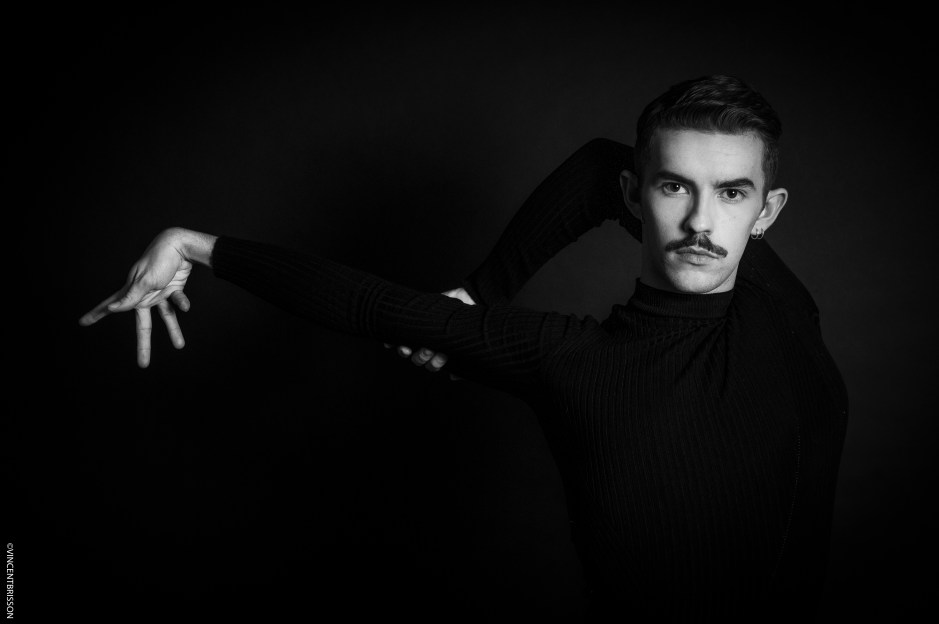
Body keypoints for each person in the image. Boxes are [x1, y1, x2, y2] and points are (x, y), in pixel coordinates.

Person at [79, 75, 848, 620]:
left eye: (731, 193)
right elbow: (376, 307)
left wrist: (481, 290)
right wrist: (197, 245)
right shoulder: (571, 360)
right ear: (633, 195)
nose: (701, 223)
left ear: (766, 210)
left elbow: (595, 166)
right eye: (673, 186)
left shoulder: (781, 311)